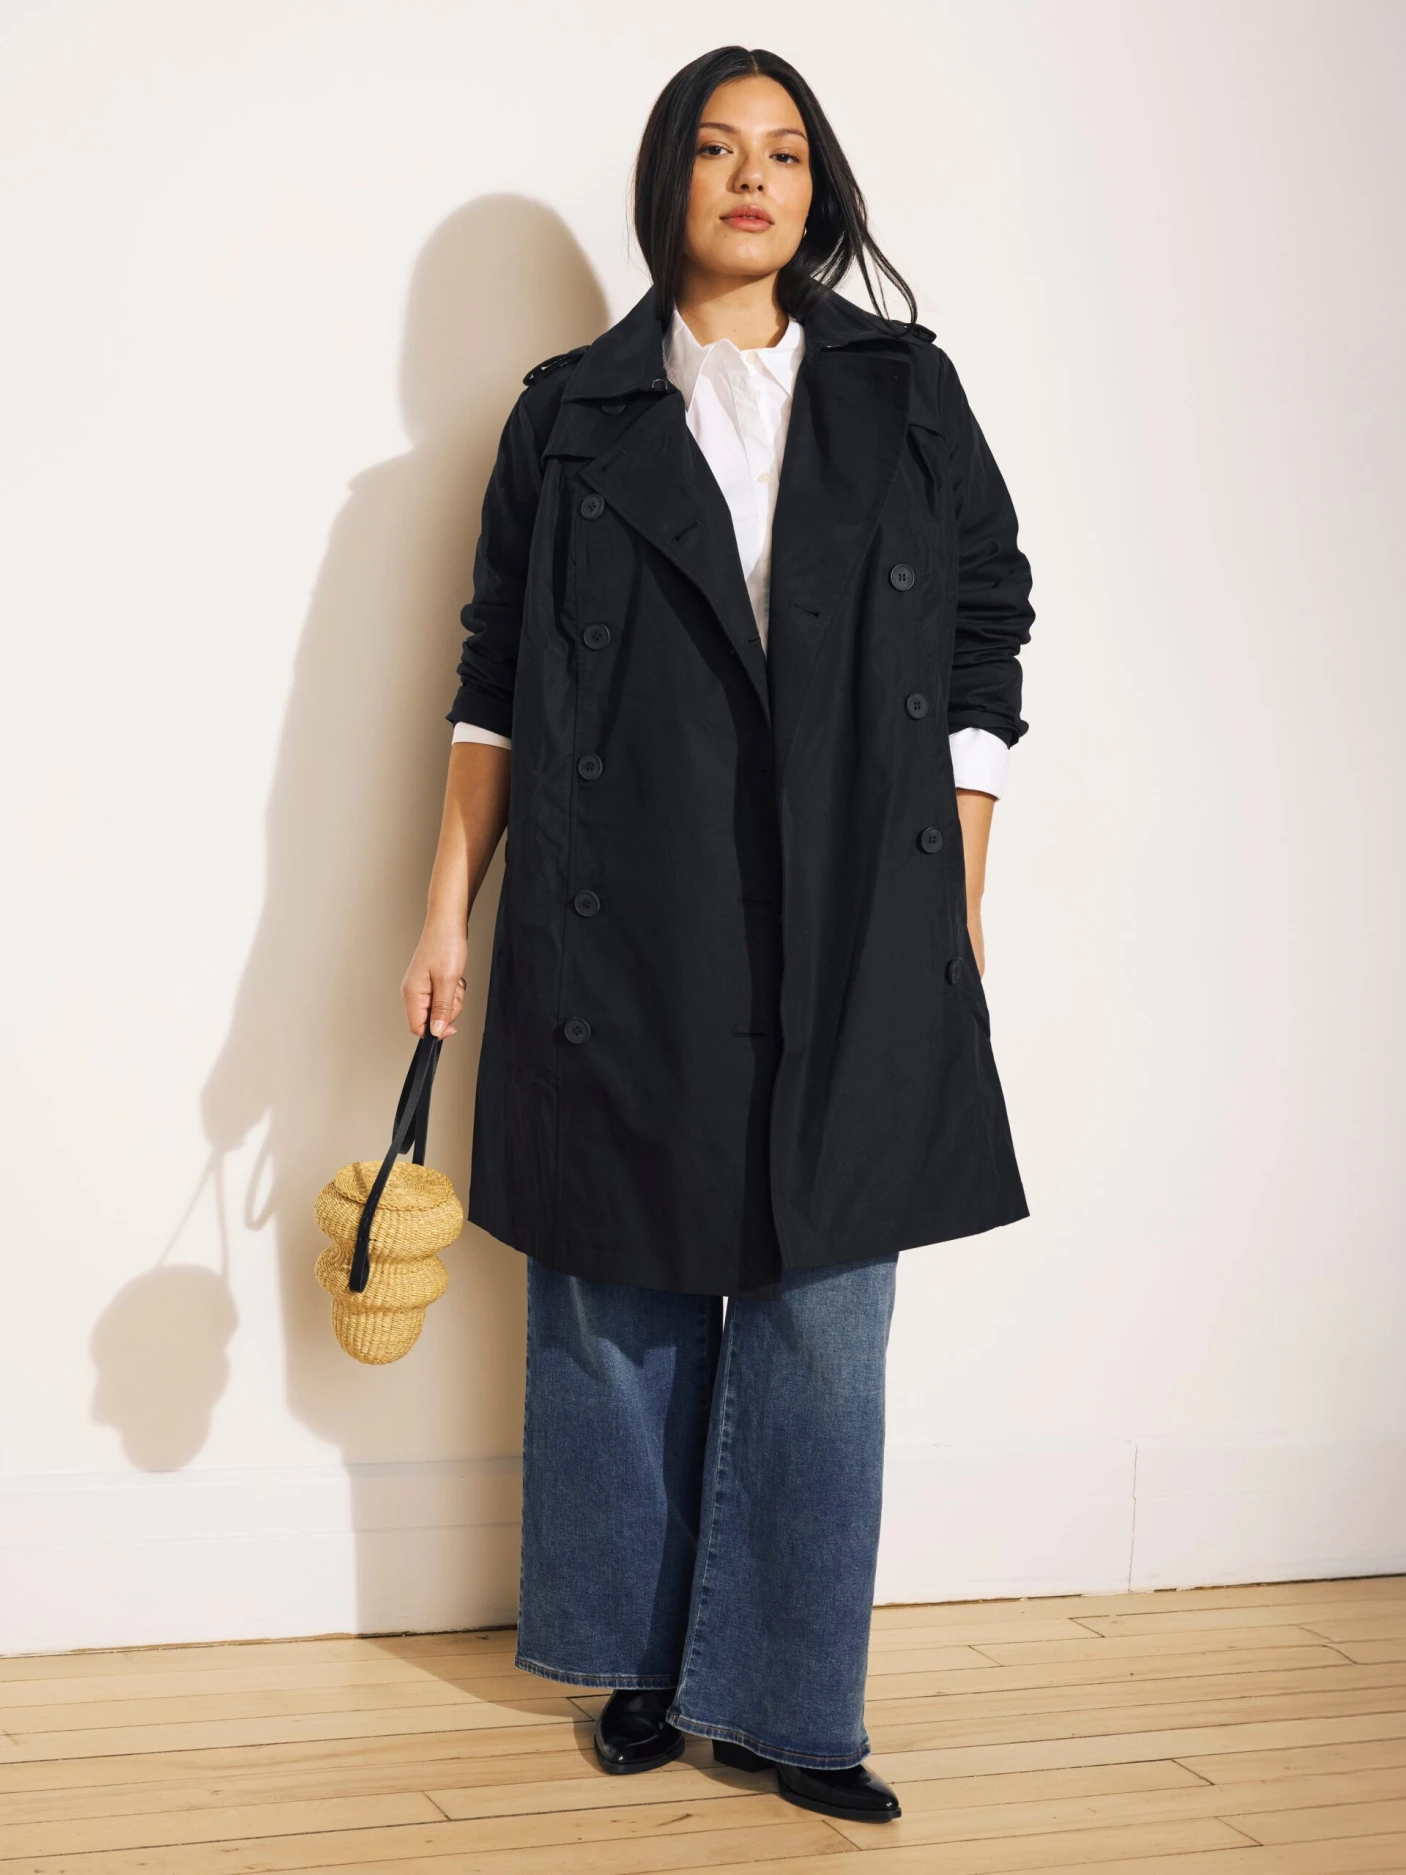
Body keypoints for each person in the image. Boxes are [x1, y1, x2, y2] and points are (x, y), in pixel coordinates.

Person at [402, 44, 1035, 1826]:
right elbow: (493, 673)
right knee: (627, 1285)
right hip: (630, 899)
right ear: (666, 179)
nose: (755, 177)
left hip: (857, 898)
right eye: (717, 146)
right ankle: (640, 1660)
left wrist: (960, 884)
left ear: (816, 189)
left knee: (826, 1313)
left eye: (785, 152)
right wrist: (447, 907)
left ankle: (790, 1702)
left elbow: (986, 622)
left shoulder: (905, 391)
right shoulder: (570, 414)